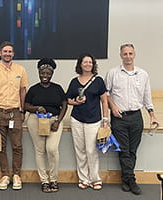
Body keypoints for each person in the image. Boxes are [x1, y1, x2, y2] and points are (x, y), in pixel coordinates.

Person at [105, 44, 159, 195]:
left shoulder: (143, 74)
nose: (128, 56)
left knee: (133, 150)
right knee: (123, 150)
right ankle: (131, 179)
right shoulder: (113, 73)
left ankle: (125, 179)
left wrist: (152, 114)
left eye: (130, 53)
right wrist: (113, 107)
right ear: (120, 55)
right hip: (119, 117)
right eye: (125, 54)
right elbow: (106, 94)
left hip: (136, 117)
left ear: (134, 55)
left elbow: (147, 97)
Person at [0, 41, 29, 190]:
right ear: (0, 53)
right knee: (0, 146)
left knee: (17, 145)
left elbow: (23, 92)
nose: (7, 54)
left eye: (10, 51)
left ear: (13, 54)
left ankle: (16, 175)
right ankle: (5, 175)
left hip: (15, 112)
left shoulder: (20, 70)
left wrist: (22, 110)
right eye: (5, 51)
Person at [24, 58, 67, 193]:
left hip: (54, 121)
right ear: (39, 72)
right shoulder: (33, 89)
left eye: (48, 73)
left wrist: (58, 121)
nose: (45, 76)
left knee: (52, 149)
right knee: (40, 151)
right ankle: (44, 181)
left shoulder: (57, 88)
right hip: (36, 121)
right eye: (43, 73)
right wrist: (37, 108)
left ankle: (53, 179)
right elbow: (25, 105)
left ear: (52, 74)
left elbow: (64, 104)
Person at [66, 53, 108, 191]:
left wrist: (105, 120)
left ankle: (95, 179)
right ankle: (83, 179)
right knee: (80, 151)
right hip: (77, 119)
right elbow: (68, 100)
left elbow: (104, 101)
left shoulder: (98, 81)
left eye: (90, 62)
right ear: (80, 64)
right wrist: (76, 102)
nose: (88, 64)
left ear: (93, 64)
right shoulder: (74, 81)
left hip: (94, 120)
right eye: (85, 62)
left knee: (91, 151)